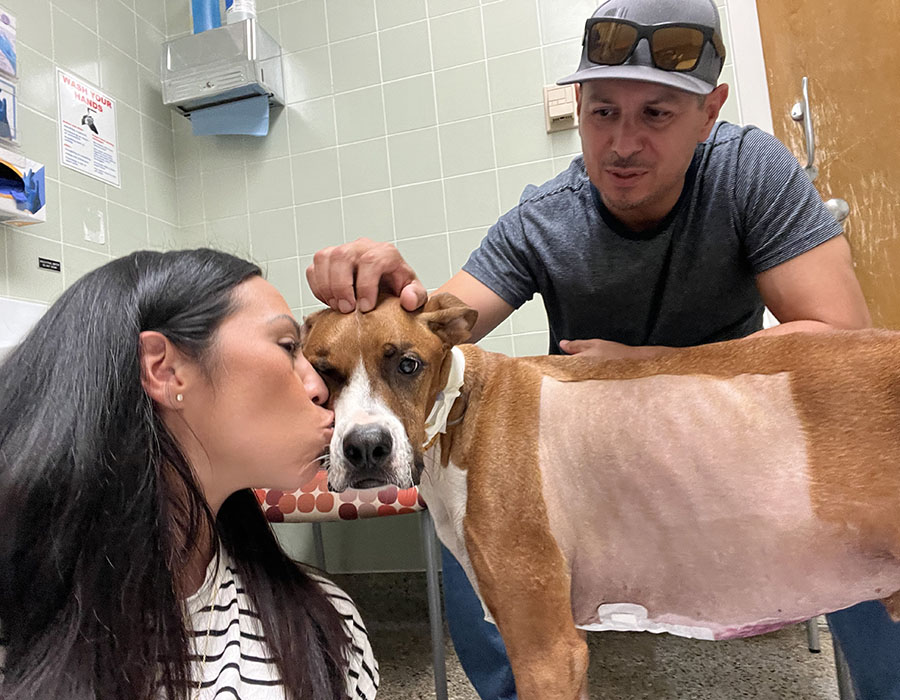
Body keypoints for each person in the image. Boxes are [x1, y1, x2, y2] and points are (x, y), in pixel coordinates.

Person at [305, 0, 900, 697]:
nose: (622, 143)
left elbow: (842, 340)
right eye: (603, 111)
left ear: (709, 113)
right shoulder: (544, 217)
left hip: (732, 443)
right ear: (580, 106)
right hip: (594, 462)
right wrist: (388, 287)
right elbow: (429, 325)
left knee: (859, 482)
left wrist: (645, 367)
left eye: (656, 114)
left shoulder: (750, 172)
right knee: (475, 519)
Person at [0, 249, 378, 700]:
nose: (319, 388)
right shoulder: (18, 630)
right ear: (165, 369)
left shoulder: (326, 631)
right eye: (287, 346)